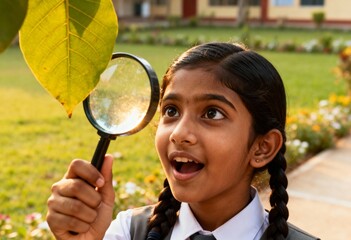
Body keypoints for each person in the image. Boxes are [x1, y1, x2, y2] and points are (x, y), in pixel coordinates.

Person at [46, 42, 320, 240]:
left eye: (212, 113)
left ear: (263, 147)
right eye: (171, 111)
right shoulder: (127, 232)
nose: (179, 132)